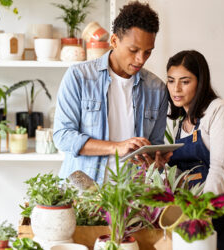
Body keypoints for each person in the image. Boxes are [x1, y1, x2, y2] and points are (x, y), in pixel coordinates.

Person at [53, 1, 171, 184]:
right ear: (114, 41)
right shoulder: (79, 77)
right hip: (84, 193)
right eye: (134, 50)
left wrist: (155, 160)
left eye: (148, 52)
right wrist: (117, 147)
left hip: (131, 196)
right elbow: (63, 137)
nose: (141, 59)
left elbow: (155, 145)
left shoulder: (157, 89)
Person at [166, 50, 224, 249]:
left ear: (201, 81)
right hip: (197, 215)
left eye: (185, 81)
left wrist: (203, 215)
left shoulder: (220, 110)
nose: (176, 89)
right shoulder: (181, 126)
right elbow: (182, 177)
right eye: (171, 81)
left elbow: (219, 169)